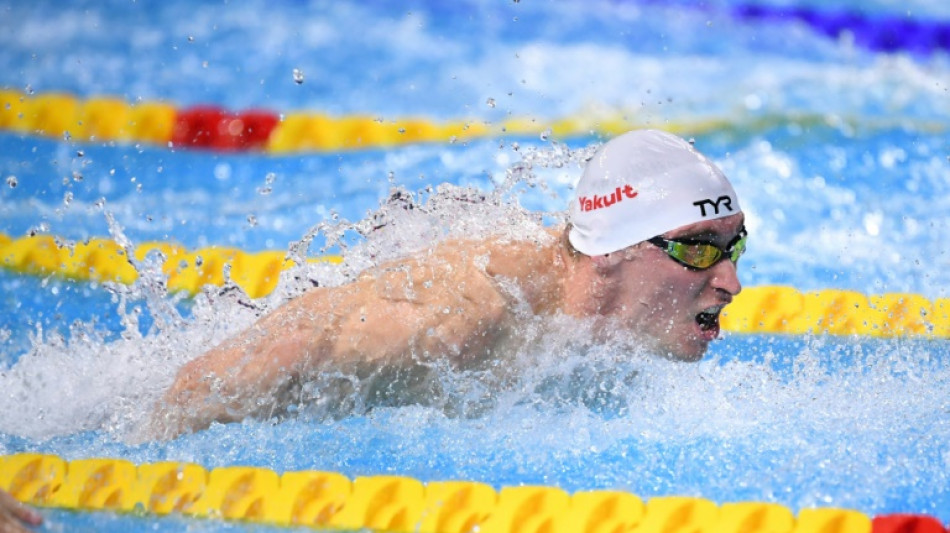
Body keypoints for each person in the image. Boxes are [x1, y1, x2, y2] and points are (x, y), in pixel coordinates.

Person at [150, 129, 746, 437]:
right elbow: (237, 371)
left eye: (734, 247)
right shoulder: (465, 319)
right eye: (699, 249)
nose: (731, 282)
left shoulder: (616, 333)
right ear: (613, 252)